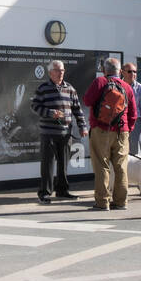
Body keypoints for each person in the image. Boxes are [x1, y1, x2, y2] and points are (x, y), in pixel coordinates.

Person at [83, 57, 138, 211]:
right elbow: (133, 113)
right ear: (120, 71)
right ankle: (121, 202)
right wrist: (128, 128)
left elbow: (87, 101)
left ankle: (102, 202)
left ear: (104, 70)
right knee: (121, 167)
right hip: (122, 131)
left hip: (101, 130)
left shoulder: (100, 82)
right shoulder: (126, 86)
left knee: (102, 165)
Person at [30, 60, 87, 203]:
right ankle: (44, 193)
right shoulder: (43, 88)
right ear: (50, 72)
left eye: (62, 70)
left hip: (65, 133)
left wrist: (82, 126)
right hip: (48, 132)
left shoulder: (70, 88)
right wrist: (50, 113)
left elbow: (77, 110)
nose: (61, 72)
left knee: (63, 164)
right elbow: (34, 106)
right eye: (57, 70)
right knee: (48, 164)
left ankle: (62, 190)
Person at [122, 61, 141, 156]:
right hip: (120, 122)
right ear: (122, 72)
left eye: (135, 72)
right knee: (120, 152)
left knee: (135, 153)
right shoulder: (117, 86)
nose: (133, 74)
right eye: (130, 71)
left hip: (136, 124)